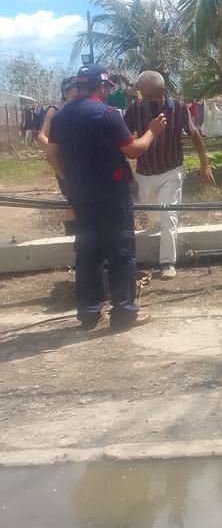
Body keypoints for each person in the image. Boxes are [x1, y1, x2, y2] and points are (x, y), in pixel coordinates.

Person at [45, 64, 166, 331]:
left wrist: (69, 179)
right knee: (120, 252)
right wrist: (152, 131)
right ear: (101, 87)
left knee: (87, 252)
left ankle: (89, 313)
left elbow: (51, 155)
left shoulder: (61, 117)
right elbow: (133, 151)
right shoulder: (107, 114)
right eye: (107, 88)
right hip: (111, 195)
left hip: (80, 195)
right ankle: (123, 313)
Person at [123, 70, 215, 280]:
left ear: (162, 91)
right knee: (154, 214)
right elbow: (124, 136)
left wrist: (205, 165)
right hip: (145, 173)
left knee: (169, 216)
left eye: (150, 95)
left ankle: (167, 262)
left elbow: (194, 134)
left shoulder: (179, 108)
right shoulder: (134, 109)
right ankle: (161, 225)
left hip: (171, 171)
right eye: (142, 95)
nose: (146, 100)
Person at [38, 75, 78, 236]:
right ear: (66, 92)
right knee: (73, 201)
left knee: (77, 201)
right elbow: (41, 136)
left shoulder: (79, 109)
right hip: (63, 163)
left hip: (78, 162)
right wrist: (58, 151)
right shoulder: (55, 110)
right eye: (77, 89)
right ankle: (71, 239)